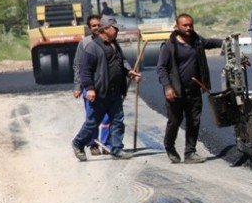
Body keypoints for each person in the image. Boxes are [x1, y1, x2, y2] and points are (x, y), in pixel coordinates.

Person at [71, 15, 141, 161]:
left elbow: (119, 64)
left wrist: (129, 72)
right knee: (92, 123)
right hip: (99, 93)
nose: (117, 31)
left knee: (117, 120)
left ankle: (116, 148)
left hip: (115, 92)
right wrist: (89, 88)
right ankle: (78, 143)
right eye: (114, 28)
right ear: (105, 29)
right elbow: (85, 70)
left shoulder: (114, 44)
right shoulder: (92, 47)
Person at [156, 14, 222, 164]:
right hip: (176, 91)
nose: (188, 28)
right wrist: (167, 87)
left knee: (194, 121)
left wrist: (226, 42)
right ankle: (170, 147)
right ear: (177, 26)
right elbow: (161, 68)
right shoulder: (169, 46)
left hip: (194, 90)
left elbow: (210, 42)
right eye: (185, 25)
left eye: (190, 25)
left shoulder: (197, 41)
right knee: (174, 121)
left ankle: (190, 152)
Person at [72, 14, 110, 155]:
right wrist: (78, 86)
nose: (97, 27)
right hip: (90, 87)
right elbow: (78, 66)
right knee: (92, 117)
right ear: (89, 28)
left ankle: (106, 144)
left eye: (99, 24)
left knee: (107, 117)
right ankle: (92, 144)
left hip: (105, 86)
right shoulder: (85, 43)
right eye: (93, 25)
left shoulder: (109, 41)